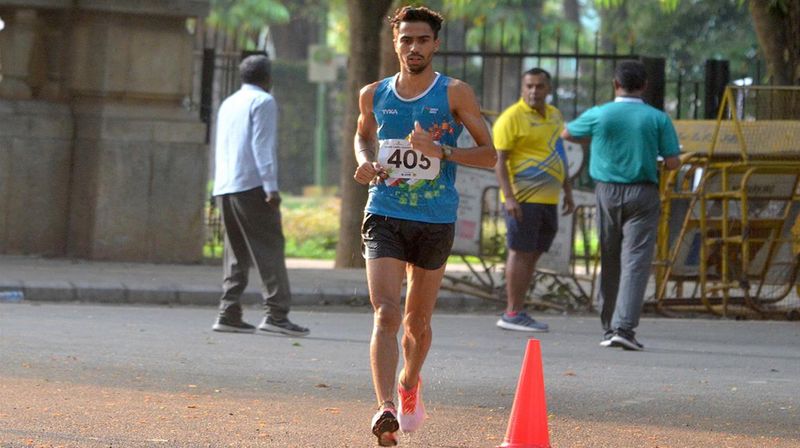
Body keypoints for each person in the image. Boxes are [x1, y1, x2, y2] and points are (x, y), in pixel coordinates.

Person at [352, 6, 496, 446]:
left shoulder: (455, 93)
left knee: (417, 323)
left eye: (422, 40)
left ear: (435, 45)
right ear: (395, 43)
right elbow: (363, 134)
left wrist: (440, 150)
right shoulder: (373, 94)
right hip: (385, 210)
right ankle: (385, 408)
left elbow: (489, 154)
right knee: (386, 313)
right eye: (406, 40)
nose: (413, 47)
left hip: (435, 218)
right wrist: (363, 161)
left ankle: (409, 383)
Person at [561, 59, 680, 351]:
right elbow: (674, 161)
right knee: (636, 262)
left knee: (610, 257)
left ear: (615, 84)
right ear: (645, 86)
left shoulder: (599, 114)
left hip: (607, 192)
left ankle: (608, 326)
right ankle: (625, 328)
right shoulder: (658, 118)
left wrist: (599, 142)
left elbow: (567, 133)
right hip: (643, 193)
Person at [210, 54, 309, 337]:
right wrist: (271, 187)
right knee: (269, 248)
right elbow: (261, 147)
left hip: (225, 186)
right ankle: (277, 315)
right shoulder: (263, 101)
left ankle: (228, 312)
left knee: (236, 252)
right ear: (268, 78)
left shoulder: (229, 103)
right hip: (252, 185)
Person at [493, 68, 575, 333]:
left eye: (539, 86)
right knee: (520, 252)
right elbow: (499, 161)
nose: (534, 91)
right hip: (523, 199)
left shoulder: (555, 116)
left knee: (532, 253)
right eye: (529, 85)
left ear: (548, 89)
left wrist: (568, 191)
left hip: (549, 198)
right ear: (522, 88)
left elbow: (559, 153)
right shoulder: (511, 118)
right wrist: (509, 198)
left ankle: (519, 308)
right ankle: (512, 311)